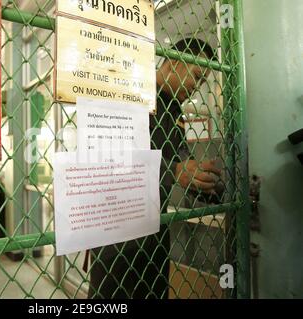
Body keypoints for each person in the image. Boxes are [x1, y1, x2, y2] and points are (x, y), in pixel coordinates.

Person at [87, 38, 222, 299]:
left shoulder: (173, 109)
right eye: (196, 75)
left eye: (203, 81)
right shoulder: (130, 92)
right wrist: (174, 172)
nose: (197, 87)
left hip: (155, 226)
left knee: (155, 292)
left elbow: (182, 158)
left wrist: (205, 183)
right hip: (116, 227)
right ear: (173, 63)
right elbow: (108, 160)